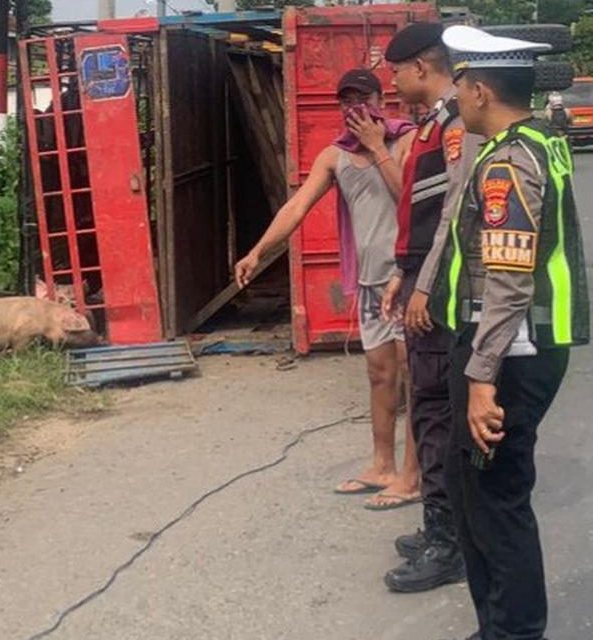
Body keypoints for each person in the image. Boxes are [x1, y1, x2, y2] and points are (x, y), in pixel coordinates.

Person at [429, 25, 589, 640]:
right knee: (477, 497)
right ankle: (497, 625)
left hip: (508, 350)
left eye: (462, 84)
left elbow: (508, 282)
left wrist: (479, 379)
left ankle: (516, 631)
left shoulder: (509, 163)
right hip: (512, 347)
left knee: (495, 502)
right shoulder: (539, 140)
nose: (458, 96)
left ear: (479, 90)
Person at [236, 69, 421, 510]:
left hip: (410, 277)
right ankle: (382, 465)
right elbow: (297, 206)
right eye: (346, 100)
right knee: (380, 373)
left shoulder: (408, 141)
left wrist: (378, 148)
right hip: (373, 282)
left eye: (363, 97)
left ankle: (413, 476)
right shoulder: (333, 156)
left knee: (414, 376)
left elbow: (411, 199)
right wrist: (258, 251)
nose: (354, 107)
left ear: (381, 99)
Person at [377, 21, 483, 594]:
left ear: (421, 66)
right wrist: (401, 271)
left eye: (395, 70)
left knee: (438, 410)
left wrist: (426, 284)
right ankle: (438, 524)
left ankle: (449, 541)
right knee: (427, 407)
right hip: (421, 277)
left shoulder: (453, 126)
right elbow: (417, 218)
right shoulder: (426, 129)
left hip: (440, 289)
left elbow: (453, 216)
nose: (390, 81)